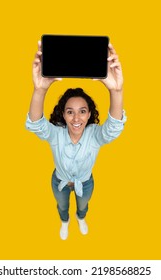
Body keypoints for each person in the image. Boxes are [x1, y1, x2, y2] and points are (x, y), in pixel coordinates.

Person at [25, 40, 127, 240]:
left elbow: (114, 127)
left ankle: (80, 218)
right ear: (63, 115)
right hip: (59, 182)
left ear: (89, 115)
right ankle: (65, 221)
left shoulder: (95, 136)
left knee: (83, 205)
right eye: (70, 112)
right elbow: (36, 123)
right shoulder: (56, 134)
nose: (76, 118)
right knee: (62, 206)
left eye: (82, 112)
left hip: (86, 183)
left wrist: (116, 91)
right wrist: (40, 90)